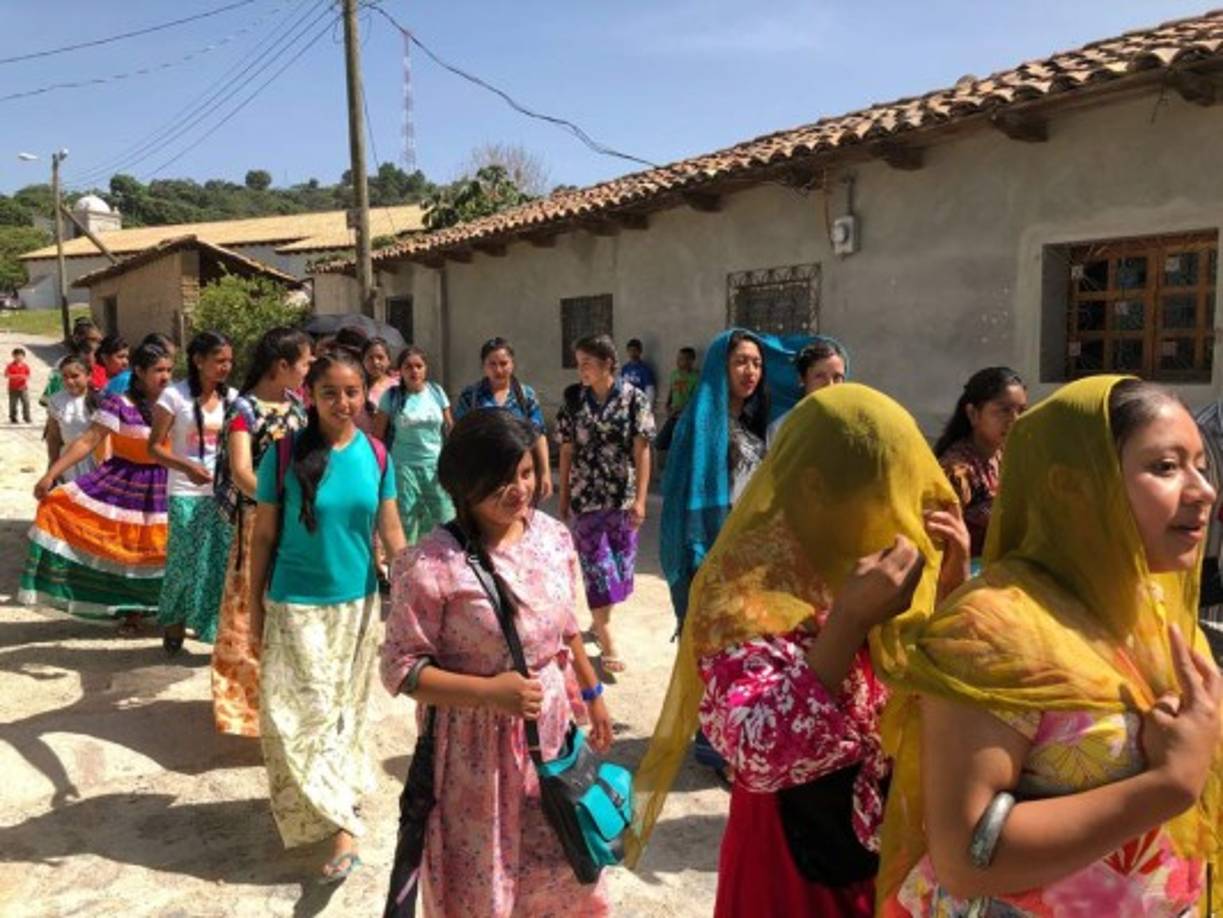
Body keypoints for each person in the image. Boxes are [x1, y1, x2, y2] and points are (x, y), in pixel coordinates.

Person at [876, 376, 1223, 915]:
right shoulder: (990, 630)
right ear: (1072, 487)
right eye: (1165, 467)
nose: (1203, 490)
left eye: (1200, 465)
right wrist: (1168, 786)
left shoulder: (1153, 608)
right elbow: (964, 859)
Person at [628, 384, 970, 916]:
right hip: (791, 865)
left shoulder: (872, 561)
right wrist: (849, 621)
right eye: (884, 492)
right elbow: (757, 748)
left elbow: (928, 690)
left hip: (880, 848)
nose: (902, 511)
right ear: (814, 487)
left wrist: (950, 591)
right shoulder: (746, 584)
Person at [382, 408, 613, 916]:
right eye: (502, 480)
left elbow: (566, 626)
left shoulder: (552, 537)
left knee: (561, 863)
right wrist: (490, 693)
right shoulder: (431, 566)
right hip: (474, 757)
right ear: (465, 485)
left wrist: (592, 694)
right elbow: (401, 669)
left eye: (526, 472)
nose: (519, 489)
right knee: (485, 879)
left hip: (549, 737)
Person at [248, 350, 405, 881]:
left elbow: (391, 532)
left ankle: (342, 825)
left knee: (343, 713)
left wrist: (413, 591)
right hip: (295, 604)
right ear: (309, 396)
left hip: (357, 606)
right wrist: (254, 607)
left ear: (365, 395)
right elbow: (263, 536)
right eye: (330, 393)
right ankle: (331, 807)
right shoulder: (282, 455)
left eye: (352, 392)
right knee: (295, 715)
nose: (343, 402)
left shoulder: (378, 455)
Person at [660, 328, 812, 776]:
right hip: (713, 554)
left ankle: (735, 740)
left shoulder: (752, 422)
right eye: (741, 361)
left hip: (751, 556)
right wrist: (701, 555)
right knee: (719, 650)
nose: (751, 371)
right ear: (720, 367)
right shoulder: (698, 425)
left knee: (748, 648)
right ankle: (718, 747)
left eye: (757, 363)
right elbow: (684, 499)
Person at [21, 342, 173, 633]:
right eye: (158, 370)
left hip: (167, 484)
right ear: (139, 372)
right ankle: (130, 611)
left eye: (169, 369)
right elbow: (88, 441)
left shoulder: (177, 403)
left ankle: (170, 609)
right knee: (125, 550)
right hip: (124, 484)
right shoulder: (119, 404)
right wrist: (51, 474)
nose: (165, 376)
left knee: (165, 548)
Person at [210, 327, 312, 738]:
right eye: (304, 362)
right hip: (260, 523)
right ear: (282, 365)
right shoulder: (244, 410)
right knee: (251, 610)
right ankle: (246, 707)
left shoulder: (298, 406)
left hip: (299, 523)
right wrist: (279, 503)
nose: (308, 369)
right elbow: (241, 471)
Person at [557, 334, 655, 673]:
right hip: (585, 498)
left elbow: (642, 451)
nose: (581, 370)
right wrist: (564, 495)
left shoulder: (634, 400)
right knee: (596, 566)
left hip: (621, 498)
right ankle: (607, 636)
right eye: (578, 363)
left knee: (619, 567)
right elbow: (566, 450)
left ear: (608, 363)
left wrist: (640, 500)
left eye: (587, 363)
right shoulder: (573, 400)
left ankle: (599, 621)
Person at [148, 330, 238, 653]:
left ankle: (211, 629)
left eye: (229, 361)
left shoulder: (234, 398)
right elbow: (154, 447)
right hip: (185, 491)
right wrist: (186, 467)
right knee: (183, 562)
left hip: (223, 493)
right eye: (219, 360)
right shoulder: (174, 397)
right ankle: (174, 623)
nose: (225, 367)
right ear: (199, 361)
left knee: (218, 563)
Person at [933, 367, 1027, 557]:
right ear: (973, 414)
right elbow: (939, 541)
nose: (1015, 420)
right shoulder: (956, 472)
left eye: (1021, 410)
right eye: (1004, 410)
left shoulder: (1007, 456)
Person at [372, 345, 454, 545]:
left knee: (445, 520)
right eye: (408, 366)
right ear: (400, 370)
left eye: (419, 366)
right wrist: (379, 470)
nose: (414, 371)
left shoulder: (437, 392)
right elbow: (377, 436)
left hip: (436, 468)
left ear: (426, 369)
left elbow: (450, 428)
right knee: (406, 524)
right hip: (403, 469)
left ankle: (442, 562)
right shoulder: (391, 396)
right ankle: (407, 562)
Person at [454, 336, 552, 498]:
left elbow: (538, 435)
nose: (498, 370)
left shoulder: (526, 396)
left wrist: (544, 472)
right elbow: (460, 434)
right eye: (492, 364)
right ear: (483, 366)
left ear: (512, 364)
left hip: (519, 474)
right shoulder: (471, 396)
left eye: (503, 363)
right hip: (482, 475)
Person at [766, 337, 849, 441]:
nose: (830, 385)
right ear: (802, 379)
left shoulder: (852, 424)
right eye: (820, 376)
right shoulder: (782, 429)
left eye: (837, 377)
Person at [44, 354, 97, 483]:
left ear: (88, 375)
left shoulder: (100, 401)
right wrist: (53, 465)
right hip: (68, 464)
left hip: (97, 462)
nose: (69, 381)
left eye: (75, 376)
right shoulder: (56, 401)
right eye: (65, 377)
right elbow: (54, 437)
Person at [656, 346, 699, 454]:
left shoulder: (696, 377)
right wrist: (667, 405)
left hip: (687, 417)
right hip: (673, 416)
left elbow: (695, 400)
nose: (678, 361)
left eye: (682, 359)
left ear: (691, 360)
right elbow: (671, 391)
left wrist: (680, 410)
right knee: (660, 443)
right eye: (678, 358)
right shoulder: (674, 374)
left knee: (681, 446)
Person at [105, 332, 176, 396]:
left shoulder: (170, 390)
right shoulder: (123, 381)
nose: (166, 377)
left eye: (172, 357)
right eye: (159, 370)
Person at [619, 337, 657, 406]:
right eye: (630, 350)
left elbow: (650, 391)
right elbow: (620, 388)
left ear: (640, 351)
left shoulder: (645, 370)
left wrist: (648, 407)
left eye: (635, 350)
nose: (632, 353)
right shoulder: (625, 369)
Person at [362, 336, 397, 406]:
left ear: (389, 361)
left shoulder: (395, 387)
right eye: (370, 358)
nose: (375, 362)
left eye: (380, 357)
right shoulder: (357, 385)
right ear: (363, 360)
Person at [6, 346, 31, 424]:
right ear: (13, 356)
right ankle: (13, 417)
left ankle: (27, 417)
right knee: (13, 403)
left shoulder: (25, 366)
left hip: (23, 388)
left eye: (20, 356)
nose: (18, 357)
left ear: (23, 356)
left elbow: (28, 375)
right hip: (13, 388)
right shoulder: (10, 366)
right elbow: (6, 375)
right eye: (16, 356)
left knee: (26, 402)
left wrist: (25, 377)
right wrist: (17, 376)